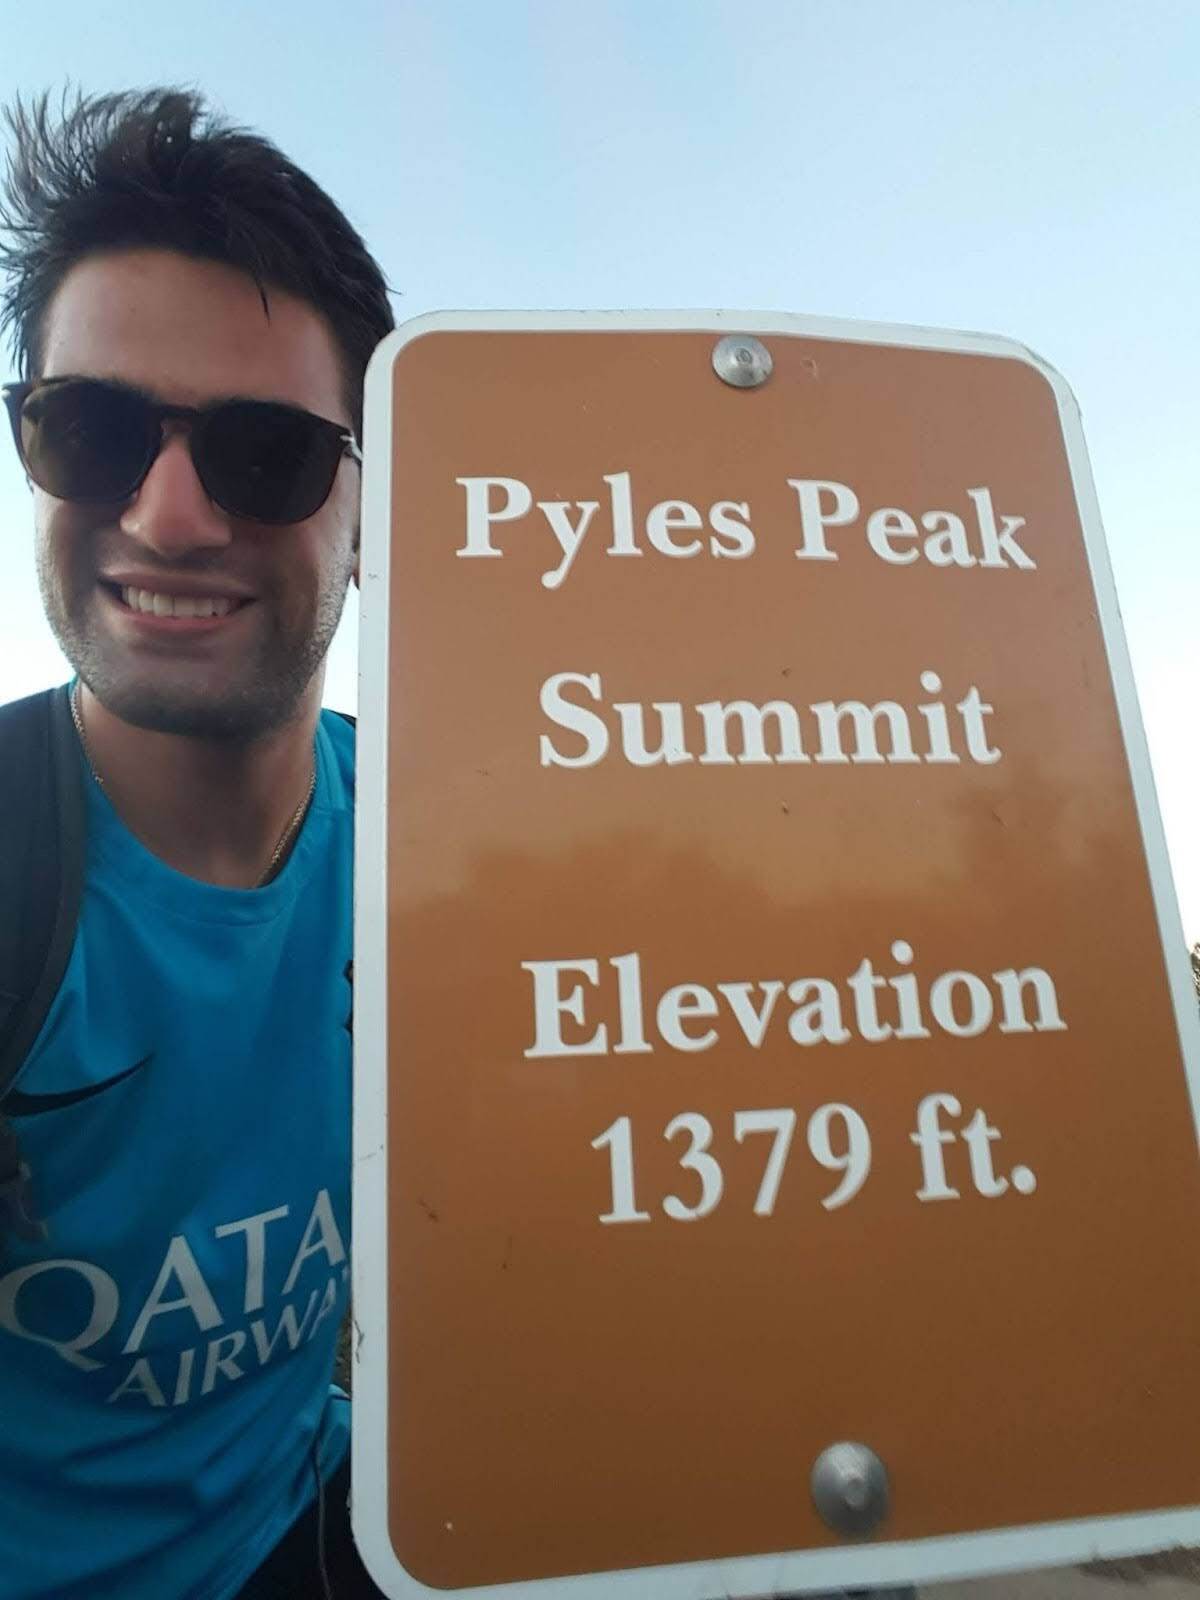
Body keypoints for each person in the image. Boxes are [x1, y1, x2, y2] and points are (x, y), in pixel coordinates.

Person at [0, 88, 393, 1599]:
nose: (165, 519)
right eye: (91, 430)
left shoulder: (450, 856)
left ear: (369, 509)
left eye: (267, 455)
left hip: (323, 1518)